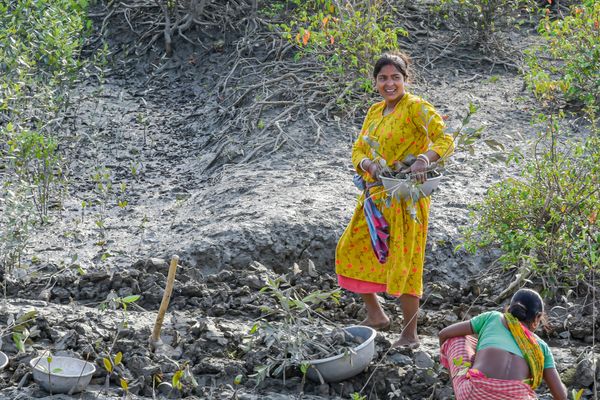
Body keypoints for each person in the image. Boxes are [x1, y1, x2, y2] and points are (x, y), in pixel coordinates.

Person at [335, 51, 454, 348]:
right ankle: (376, 315)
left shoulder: (416, 108)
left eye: (395, 78)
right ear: (375, 82)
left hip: (406, 199)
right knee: (351, 248)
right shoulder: (375, 112)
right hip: (376, 196)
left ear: (405, 80)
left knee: (406, 262)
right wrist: (368, 166)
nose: (390, 84)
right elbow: (358, 150)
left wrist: (424, 160)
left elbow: (446, 139)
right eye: (383, 78)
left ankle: (409, 334)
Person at [438, 288, 567, 399]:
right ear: (537, 317)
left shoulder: (493, 317)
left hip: (475, 394)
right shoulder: (541, 347)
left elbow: (443, 334)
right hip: (516, 397)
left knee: (455, 339)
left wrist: (453, 366)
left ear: (509, 309)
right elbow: (561, 396)